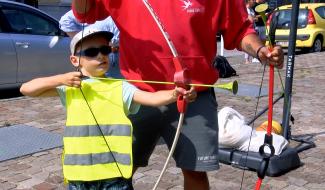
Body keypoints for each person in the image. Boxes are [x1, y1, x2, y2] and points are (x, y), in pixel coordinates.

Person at [72, 1, 284, 189]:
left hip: (193, 97)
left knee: (195, 172)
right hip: (136, 95)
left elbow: (240, 30)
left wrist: (259, 50)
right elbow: (85, 13)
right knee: (119, 169)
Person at [20, 28, 196, 190]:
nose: (100, 56)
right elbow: (26, 89)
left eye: (104, 50)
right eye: (91, 52)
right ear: (75, 60)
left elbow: (151, 98)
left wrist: (175, 94)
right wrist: (59, 79)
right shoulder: (70, 87)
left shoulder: (120, 87)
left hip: (114, 173)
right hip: (79, 174)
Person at [59, 10, 121, 78]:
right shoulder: (96, 6)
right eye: (91, 52)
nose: (100, 55)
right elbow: (65, 21)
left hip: (118, 54)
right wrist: (82, 39)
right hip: (111, 54)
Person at [244, 0, 257, 64]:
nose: (254, 1)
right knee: (248, 44)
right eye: (253, 0)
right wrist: (254, 18)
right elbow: (250, 19)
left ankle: (253, 58)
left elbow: (253, 18)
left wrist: (254, 18)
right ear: (248, 1)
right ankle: (247, 60)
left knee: (253, 44)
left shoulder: (251, 9)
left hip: (253, 28)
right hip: (247, 29)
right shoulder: (245, 9)